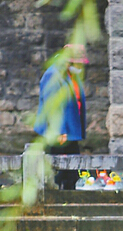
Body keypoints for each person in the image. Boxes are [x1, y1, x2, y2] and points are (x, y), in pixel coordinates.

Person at [34, 43, 88, 190]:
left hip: (70, 130)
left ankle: (69, 198)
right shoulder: (53, 74)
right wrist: (59, 131)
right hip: (58, 132)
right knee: (56, 170)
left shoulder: (70, 74)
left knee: (72, 169)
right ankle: (56, 200)